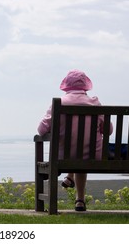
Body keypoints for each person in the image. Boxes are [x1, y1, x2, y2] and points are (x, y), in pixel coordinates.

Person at [37, 69, 113, 211]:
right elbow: (108, 130)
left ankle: (69, 179)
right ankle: (80, 200)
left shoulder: (60, 103)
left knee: (75, 152)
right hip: (91, 156)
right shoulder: (95, 103)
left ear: (67, 85)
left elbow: (41, 130)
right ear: (85, 86)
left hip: (62, 157)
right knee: (83, 152)